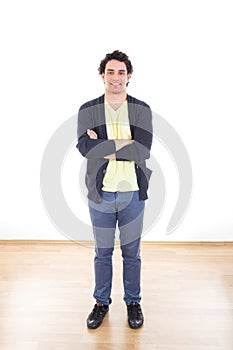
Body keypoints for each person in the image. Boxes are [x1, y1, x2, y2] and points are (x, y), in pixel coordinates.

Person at [76, 50, 153, 329]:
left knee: (132, 253)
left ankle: (133, 301)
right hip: (102, 192)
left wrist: (104, 146)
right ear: (102, 75)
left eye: (121, 72)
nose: (116, 77)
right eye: (110, 72)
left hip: (132, 191)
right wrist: (125, 142)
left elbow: (143, 149)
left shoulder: (141, 109)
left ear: (129, 76)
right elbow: (85, 148)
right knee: (103, 252)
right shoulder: (89, 110)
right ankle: (101, 302)